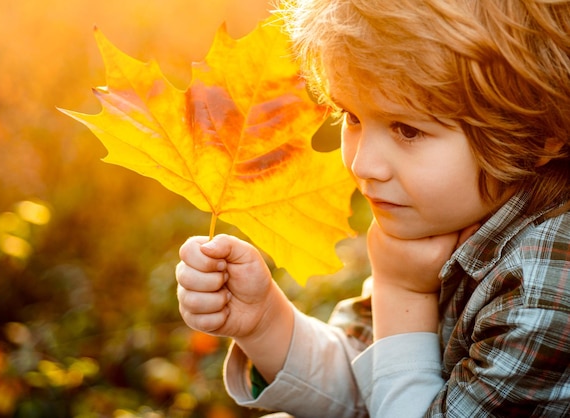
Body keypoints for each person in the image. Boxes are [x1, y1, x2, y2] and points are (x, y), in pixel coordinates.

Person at [175, 0, 570, 416]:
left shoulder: (543, 287)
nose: (363, 164)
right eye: (352, 116)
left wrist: (402, 291)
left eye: (407, 129)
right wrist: (266, 324)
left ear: (540, 133)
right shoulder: (450, 218)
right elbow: (381, 378)